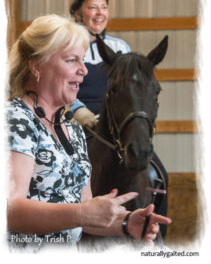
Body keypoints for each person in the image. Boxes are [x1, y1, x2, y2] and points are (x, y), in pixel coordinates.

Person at [6, 14, 171, 251]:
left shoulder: (73, 130)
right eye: (72, 60)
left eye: (82, 61)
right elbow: (9, 210)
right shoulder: (16, 120)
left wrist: (126, 222)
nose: (83, 70)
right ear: (36, 65)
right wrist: (83, 212)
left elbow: (85, 213)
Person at [69, 0, 131, 127]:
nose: (100, 13)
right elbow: (57, 86)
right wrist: (77, 109)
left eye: (104, 7)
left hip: (112, 122)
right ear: (78, 14)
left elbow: (130, 88)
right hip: (75, 121)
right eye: (93, 8)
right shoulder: (67, 48)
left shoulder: (120, 47)